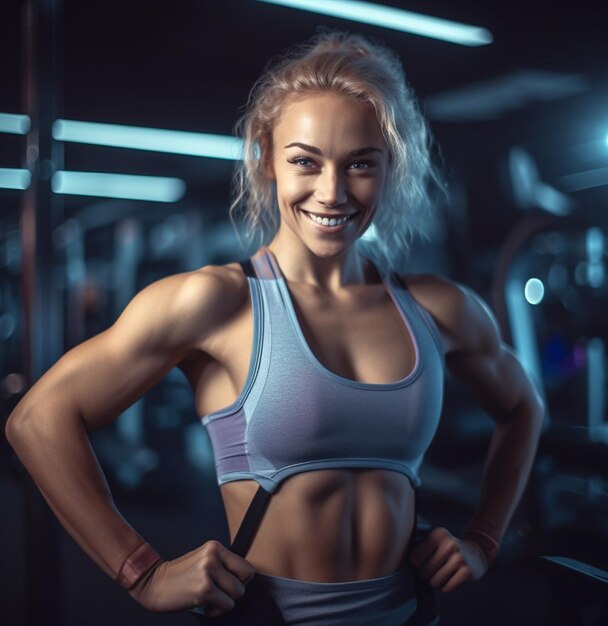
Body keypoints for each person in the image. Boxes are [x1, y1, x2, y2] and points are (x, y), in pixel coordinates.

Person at [5, 31, 544, 625]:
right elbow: (38, 419)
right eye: (305, 162)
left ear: (391, 165)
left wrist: (484, 539)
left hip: (410, 612)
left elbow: (524, 408)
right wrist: (143, 573)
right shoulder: (216, 302)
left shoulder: (441, 308)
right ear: (265, 157)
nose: (332, 192)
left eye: (360, 163)